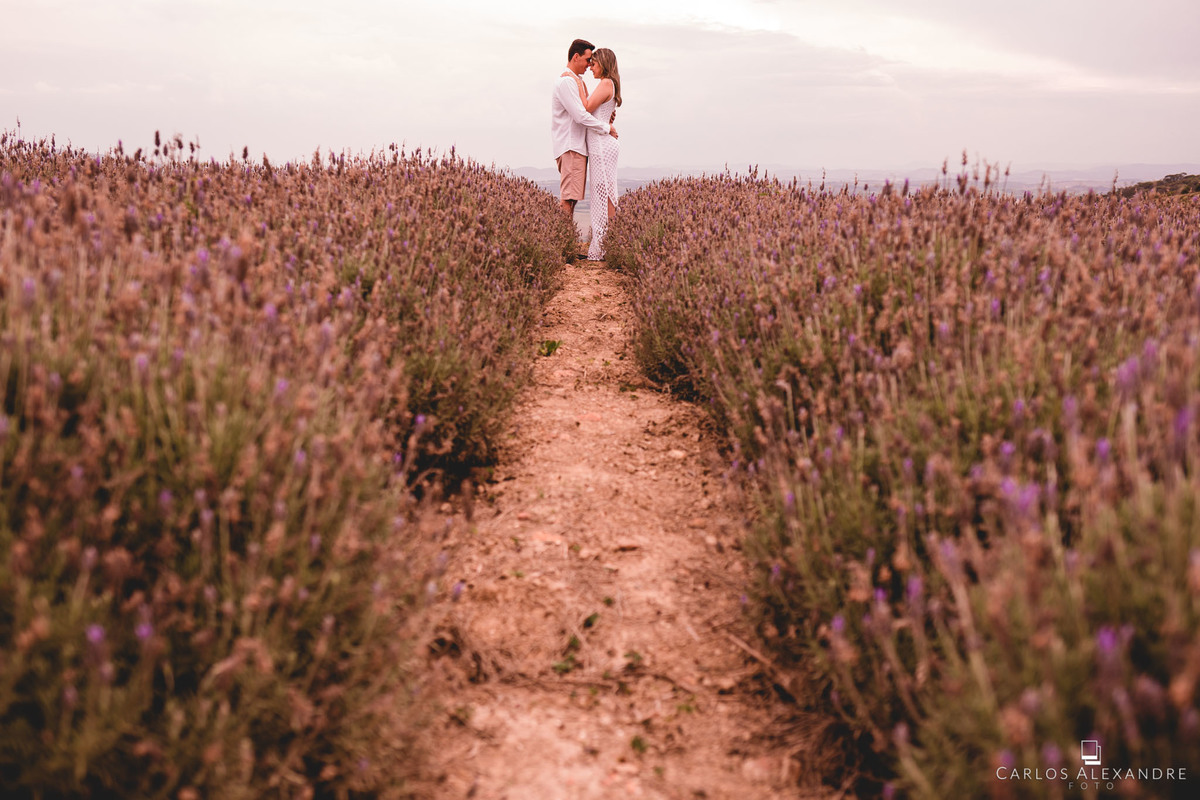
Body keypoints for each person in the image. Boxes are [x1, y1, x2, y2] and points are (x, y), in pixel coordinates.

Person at [551, 39, 617, 223]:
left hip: (576, 146)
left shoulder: (576, 82)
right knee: (569, 199)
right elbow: (580, 115)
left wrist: (605, 117)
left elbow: (588, 109)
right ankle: (563, 245)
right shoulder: (567, 82)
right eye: (588, 60)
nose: (589, 64)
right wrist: (606, 128)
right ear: (576, 57)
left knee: (572, 198)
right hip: (572, 146)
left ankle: (564, 242)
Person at [583, 48, 621, 260]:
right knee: (604, 192)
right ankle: (607, 244)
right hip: (603, 143)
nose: (590, 68)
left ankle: (606, 246)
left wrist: (577, 86)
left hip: (601, 145)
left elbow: (586, 107)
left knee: (604, 194)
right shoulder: (609, 84)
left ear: (604, 63)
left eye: (594, 64)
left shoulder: (606, 83)